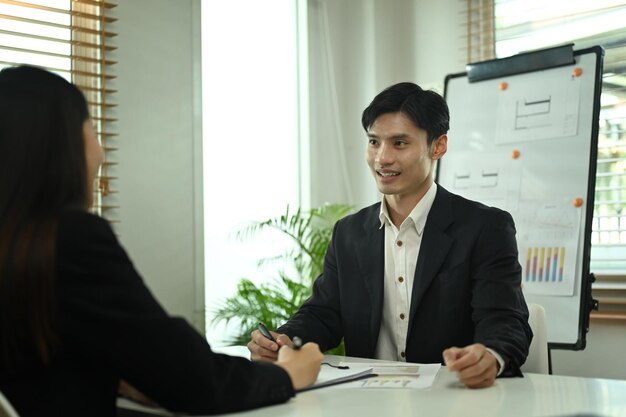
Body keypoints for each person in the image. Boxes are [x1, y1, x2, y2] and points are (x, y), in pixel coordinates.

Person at [0, 65, 323, 417]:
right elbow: (192, 378)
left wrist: (120, 379)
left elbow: (35, 364)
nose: (100, 151)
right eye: (92, 129)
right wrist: (286, 374)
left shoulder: (20, 241)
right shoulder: (70, 238)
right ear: (61, 146)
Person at [248, 82, 532, 389]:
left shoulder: (485, 227)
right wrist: (282, 340)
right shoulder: (349, 232)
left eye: (399, 143)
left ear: (438, 146)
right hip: (368, 399)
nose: (382, 158)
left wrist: (490, 354)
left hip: (451, 397)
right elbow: (323, 313)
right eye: (373, 142)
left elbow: (505, 320)